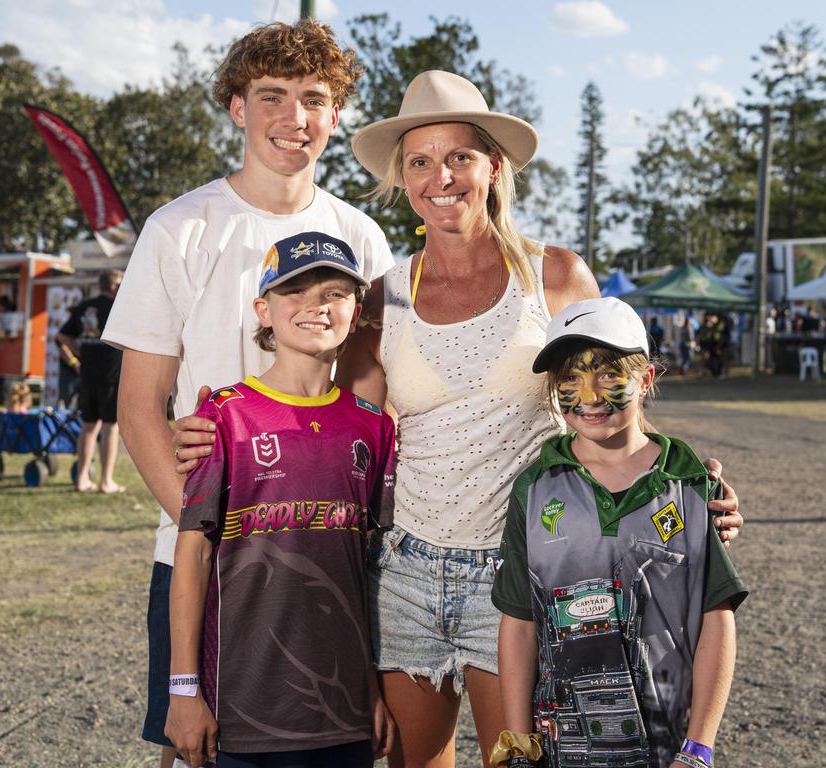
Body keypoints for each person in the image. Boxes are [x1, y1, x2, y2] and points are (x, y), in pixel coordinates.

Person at [175, 71, 743, 768]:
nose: (440, 177)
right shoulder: (385, 298)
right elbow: (335, 422)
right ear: (403, 180)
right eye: (419, 162)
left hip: (526, 575)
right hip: (406, 574)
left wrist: (680, 484)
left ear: (493, 166)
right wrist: (222, 430)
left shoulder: (555, 277)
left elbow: (608, 402)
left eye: (459, 158)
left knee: (529, 761)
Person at [99, 20, 394, 768]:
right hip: (205, 554)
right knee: (195, 748)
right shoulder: (180, 229)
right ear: (237, 107)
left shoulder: (360, 238)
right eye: (272, 97)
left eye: (314, 100)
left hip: (323, 554)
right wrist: (205, 535)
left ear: (335, 115)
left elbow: (368, 401)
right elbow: (140, 407)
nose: (295, 119)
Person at [166, 233, 396, 768]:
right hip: (244, 708)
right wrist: (183, 690)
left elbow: (364, 574)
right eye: (296, 290)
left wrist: (372, 689)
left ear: (356, 313)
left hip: (344, 712)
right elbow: (193, 556)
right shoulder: (224, 417)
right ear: (263, 310)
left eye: (335, 293)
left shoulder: (373, 426)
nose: (316, 305)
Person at [491, 297, 746, 768]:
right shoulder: (534, 488)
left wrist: (699, 748)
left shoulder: (689, 482)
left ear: (646, 379)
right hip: (562, 750)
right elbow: (519, 625)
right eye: (570, 378)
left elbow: (717, 617)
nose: (588, 396)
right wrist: (519, 742)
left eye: (609, 374)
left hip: (666, 747)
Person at [57, 270, 124, 494]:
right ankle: (106, 480)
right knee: (110, 426)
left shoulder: (85, 306)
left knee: (88, 426)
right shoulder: (118, 307)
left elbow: (63, 336)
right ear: (114, 286)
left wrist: (80, 355)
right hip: (111, 373)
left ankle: (82, 478)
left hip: (87, 373)